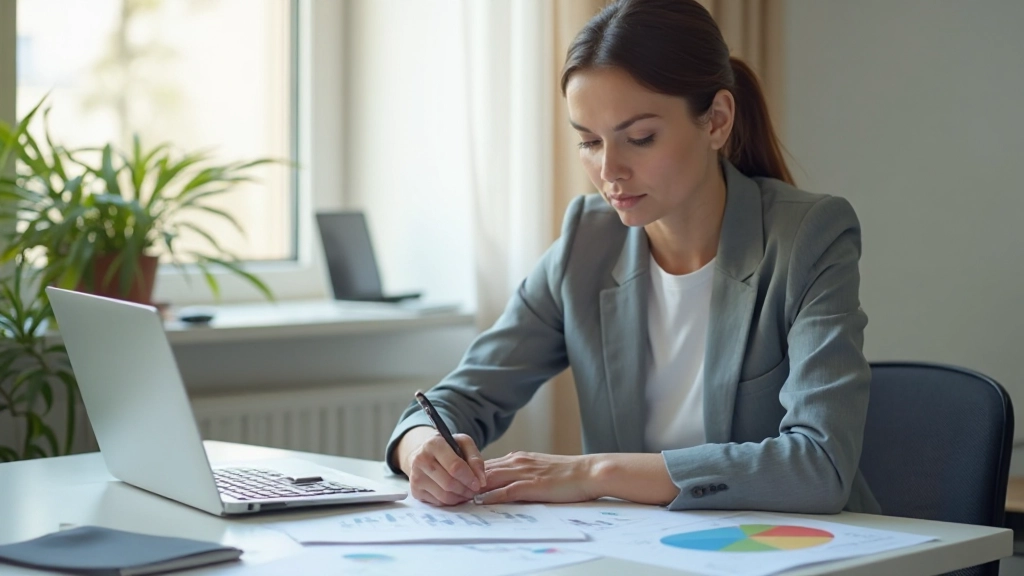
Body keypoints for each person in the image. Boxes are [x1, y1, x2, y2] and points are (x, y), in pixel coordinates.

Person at [386, 0, 880, 515]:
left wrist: (594, 473)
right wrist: (422, 449)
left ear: (716, 121)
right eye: (589, 142)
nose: (609, 171)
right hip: (647, 546)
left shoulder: (808, 237)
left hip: (804, 546)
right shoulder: (586, 241)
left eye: (639, 138)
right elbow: (459, 398)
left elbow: (819, 465)